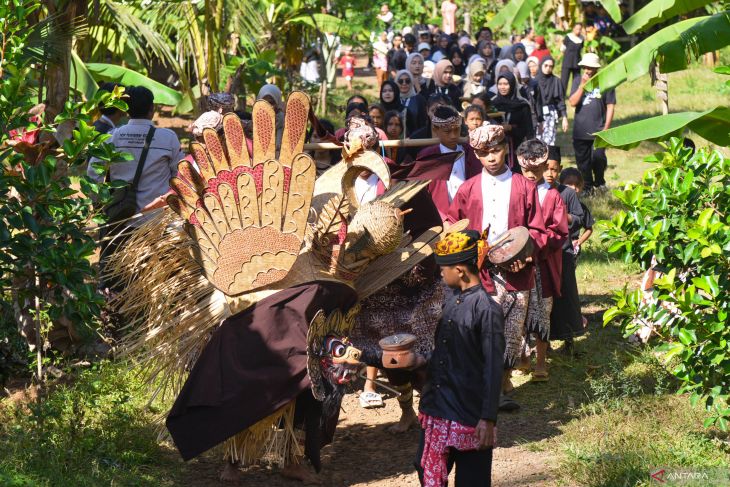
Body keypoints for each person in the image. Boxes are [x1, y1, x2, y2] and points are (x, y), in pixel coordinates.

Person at [447, 124, 547, 409]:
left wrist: (527, 254)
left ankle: (503, 379)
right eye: (483, 153)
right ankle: (488, 388)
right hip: (481, 271)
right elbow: (455, 225)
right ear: (476, 156)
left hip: (518, 269)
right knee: (484, 328)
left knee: (512, 329)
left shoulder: (524, 186)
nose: (491, 157)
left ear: (507, 149)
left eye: (496, 150)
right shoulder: (467, 189)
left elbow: (537, 228)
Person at [410, 229, 504, 487]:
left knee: (472, 480)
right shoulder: (451, 300)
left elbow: (494, 368)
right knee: (424, 466)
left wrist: (488, 418)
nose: (440, 273)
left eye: (443, 268)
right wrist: (417, 363)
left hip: (469, 413)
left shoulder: (487, 310)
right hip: (438, 405)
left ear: (460, 271)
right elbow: (444, 353)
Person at [88, 86, 182, 286]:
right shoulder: (168, 138)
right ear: (152, 109)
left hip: (119, 220)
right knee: (156, 279)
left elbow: (92, 172)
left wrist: (101, 205)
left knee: (116, 278)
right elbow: (179, 176)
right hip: (157, 223)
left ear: (126, 109)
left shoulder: (113, 136)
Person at [515, 140, 567, 382]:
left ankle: (541, 362)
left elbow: (559, 232)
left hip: (543, 265)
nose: (532, 175)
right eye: (527, 171)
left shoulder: (553, 196)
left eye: (537, 170)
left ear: (545, 167)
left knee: (542, 312)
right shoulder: (515, 192)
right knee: (518, 311)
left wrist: (538, 244)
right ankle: (522, 357)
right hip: (517, 264)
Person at [543, 147, 585, 354]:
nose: (550, 173)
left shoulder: (567, 193)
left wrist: (563, 216)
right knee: (543, 299)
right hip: (543, 253)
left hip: (564, 252)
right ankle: (544, 342)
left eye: (555, 169)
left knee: (566, 297)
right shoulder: (536, 191)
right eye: (546, 169)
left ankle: (569, 339)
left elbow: (579, 218)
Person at [417, 105, 481, 219]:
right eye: (447, 131)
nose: (453, 135)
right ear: (435, 129)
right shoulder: (428, 156)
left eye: (456, 130)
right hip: (440, 217)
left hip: (471, 215)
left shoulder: (471, 153)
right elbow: (422, 195)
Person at [568, 52, 616, 193]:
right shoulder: (577, 80)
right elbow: (572, 102)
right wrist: (582, 86)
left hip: (598, 129)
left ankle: (600, 182)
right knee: (583, 162)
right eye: (585, 67)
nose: (587, 70)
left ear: (596, 68)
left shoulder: (606, 81)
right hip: (580, 130)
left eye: (590, 67)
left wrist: (606, 128)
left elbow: (610, 105)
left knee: (598, 158)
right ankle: (587, 187)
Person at [490, 72, 534, 170]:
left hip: (517, 147)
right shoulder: (493, 104)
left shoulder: (522, 105)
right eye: (500, 84)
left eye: (506, 84)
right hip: (496, 147)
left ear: (512, 84)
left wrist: (510, 128)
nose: (502, 87)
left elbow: (528, 129)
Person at [559, 167, 594, 256]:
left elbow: (589, 228)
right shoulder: (557, 204)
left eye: (577, 184)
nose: (574, 188)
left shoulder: (582, 208)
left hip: (573, 247)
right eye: (569, 184)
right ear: (560, 184)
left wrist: (579, 241)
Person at [535, 56, 568, 146]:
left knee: (549, 141)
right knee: (537, 141)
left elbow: (561, 100)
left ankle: (549, 159)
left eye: (551, 66)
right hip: (537, 113)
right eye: (546, 65)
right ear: (541, 65)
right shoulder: (535, 81)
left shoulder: (556, 81)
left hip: (551, 114)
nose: (548, 68)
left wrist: (564, 117)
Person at [395, 69, 428, 136]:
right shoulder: (393, 99)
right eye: (400, 81)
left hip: (415, 139)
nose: (404, 83)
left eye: (407, 81)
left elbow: (423, 123)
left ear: (412, 82)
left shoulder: (419, 99)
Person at [561, 23, 584, 94]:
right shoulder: (568, 37)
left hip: (577, 62)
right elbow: (562, 49)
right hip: (567, 62)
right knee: (564, 80)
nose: (578, 30)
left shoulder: (582, 38)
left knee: (576, 80)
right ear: (573, 29)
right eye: (577, 29)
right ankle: (562, 95)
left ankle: (574, 94)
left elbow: (581, 49)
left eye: (580, 29)